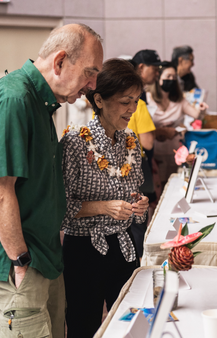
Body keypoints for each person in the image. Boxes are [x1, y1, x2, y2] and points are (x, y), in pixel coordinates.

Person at [0, 24, 103, 337]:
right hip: (20, 261)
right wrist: (20, 261)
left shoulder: (39, 102)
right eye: (90, 73)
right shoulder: (14, 100)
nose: (93, 85)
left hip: (42, 255)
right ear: (59, 62)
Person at [61, 59, 149, 338]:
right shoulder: (75, 142)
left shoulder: (131, 141)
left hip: (123, 246)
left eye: (135, 101)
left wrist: (139, 205)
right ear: (99, 99)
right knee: (83, 324)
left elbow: (134, 192)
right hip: (84, 250)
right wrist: (104, 208)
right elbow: (59, 208)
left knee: (127, 323)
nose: (132, 110)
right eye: (125, 102)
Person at [148, 61, 207, 186]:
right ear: (158, 77)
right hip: (154, 152)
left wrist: (202, 110)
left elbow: (197, 115)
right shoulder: (147, 99)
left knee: (175, 185)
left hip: (176, 154)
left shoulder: (179, 100)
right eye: (168, 76)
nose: (172, 80)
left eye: (174, 77)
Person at [127, 49, 161, 259]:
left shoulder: (103, 105)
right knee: (138, 221)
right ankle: (137, 266)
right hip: (135, 165)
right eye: (154, 69)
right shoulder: (137, 103)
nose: (157, 74)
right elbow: (148, 142)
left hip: (111, 166)